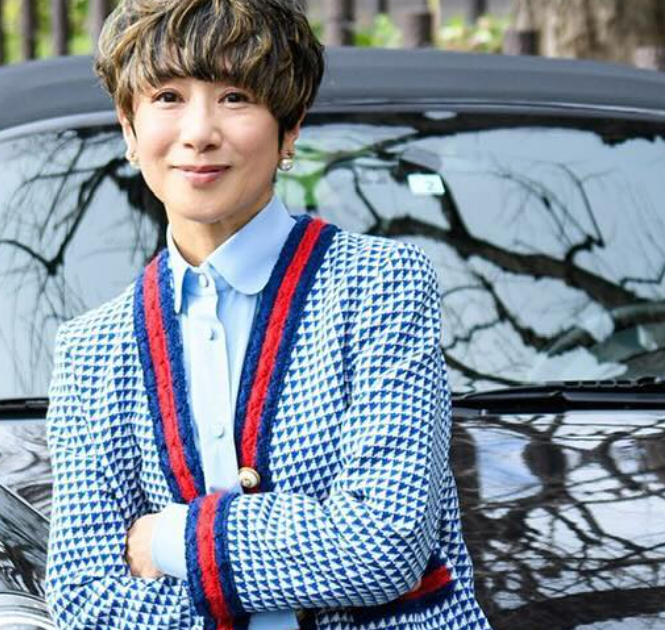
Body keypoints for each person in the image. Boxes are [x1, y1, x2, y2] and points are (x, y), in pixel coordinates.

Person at [42, 0, 493, 628]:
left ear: (290, 128)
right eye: (168, 97)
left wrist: (174, 539)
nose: (199, 132)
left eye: (235, 97)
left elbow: (386, 544)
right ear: (129, 128)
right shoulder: (92, 352)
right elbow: (85, 599)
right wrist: (301, 564)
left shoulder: (381, 285)